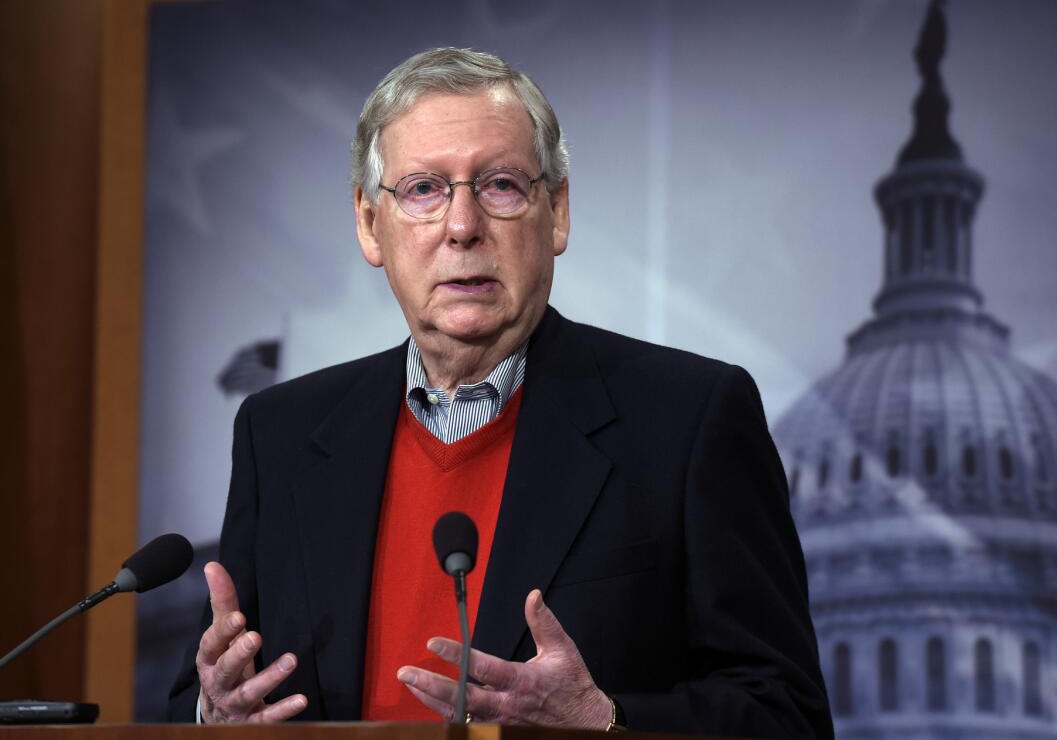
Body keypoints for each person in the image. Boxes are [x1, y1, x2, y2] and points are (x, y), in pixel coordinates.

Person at [168, 47, 833, 738]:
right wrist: (213, 712)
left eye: (501, 186)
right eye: (424, 189)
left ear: (558, 212)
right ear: (371, 225)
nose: (463, 227)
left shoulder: (690, 420)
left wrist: (605, 722)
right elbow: (200, 693)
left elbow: (787, 714)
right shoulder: (279, 434)